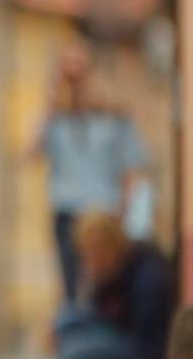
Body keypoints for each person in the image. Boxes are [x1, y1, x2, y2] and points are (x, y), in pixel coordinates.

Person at [34, 44, 151, 306]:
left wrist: (129, 217)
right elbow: (31, 151)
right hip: (66, 210)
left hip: (104, 211)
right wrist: (49, 103)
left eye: (81, 74)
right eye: (68, 75)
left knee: (106, 284)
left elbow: (132, 171)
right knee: (71, 287)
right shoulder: (57, 120)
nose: (76, 83)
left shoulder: (115, 119)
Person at [51, 211, 173, 359]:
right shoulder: (111, 273)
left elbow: (151, 350)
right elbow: (97, 314)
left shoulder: (147, 277)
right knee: (65, 323)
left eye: (94, 254)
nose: (90, 262)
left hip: (143, 355)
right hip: (125, 340)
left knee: (74, 355)